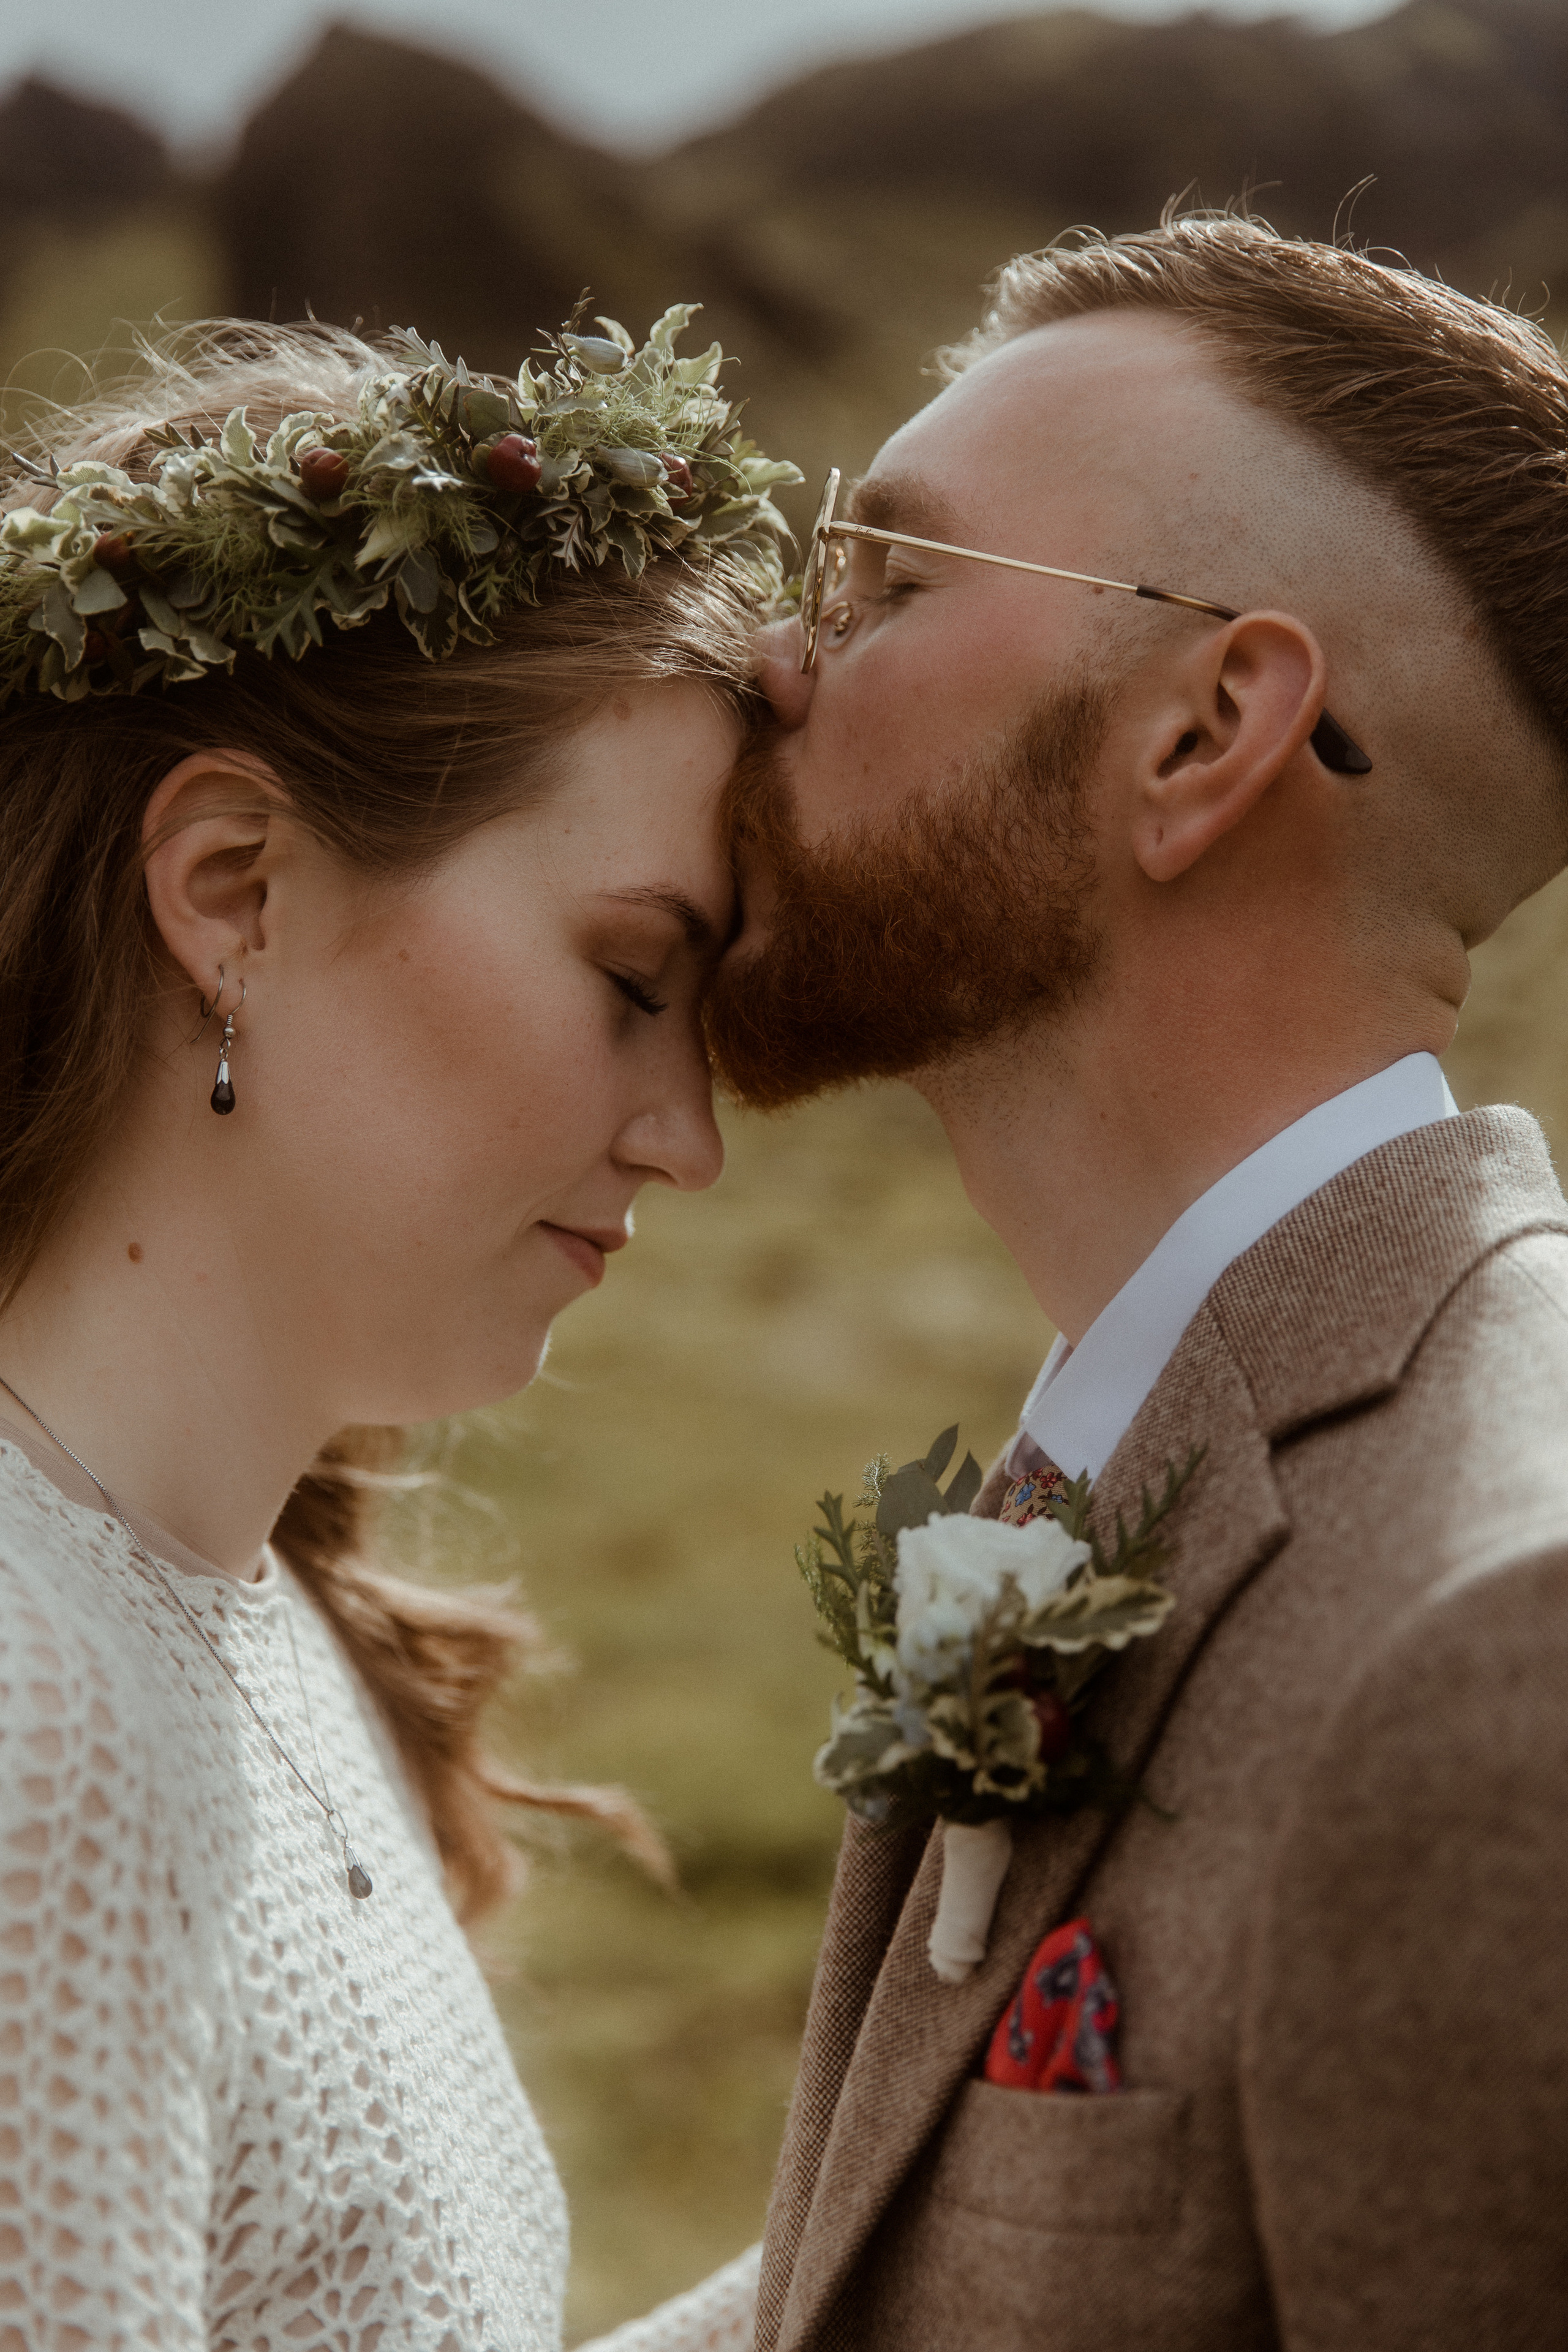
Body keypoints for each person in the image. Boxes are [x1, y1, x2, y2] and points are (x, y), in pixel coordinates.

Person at [707, 212, 1568, 2349]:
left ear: (1205, 735)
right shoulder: (1130, 1427)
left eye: (892, 582)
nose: (775, 664)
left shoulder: (1496, 1662)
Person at [0, 308, 793, 2350]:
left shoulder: (249, 1606)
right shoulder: (35, 1720)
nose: (689, 1136)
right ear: (235, 887)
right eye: (634, 977)